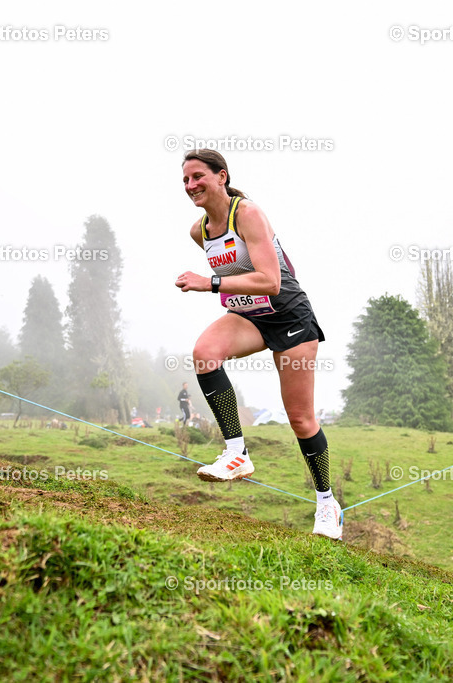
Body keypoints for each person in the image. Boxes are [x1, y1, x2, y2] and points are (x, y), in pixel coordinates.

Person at [175, 149, 341, 540]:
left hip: (289, 316)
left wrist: (208, 283)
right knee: (204, 354)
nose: (190, 185)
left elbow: (270, 281)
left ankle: (326, 503)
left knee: (300, 419)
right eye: (184, 180)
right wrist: (222, 287)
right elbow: (238, 274)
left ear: (221, 177)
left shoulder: (247, 213)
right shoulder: (199, 231)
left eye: (198, 176)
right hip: (250, 316)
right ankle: (236, 453)